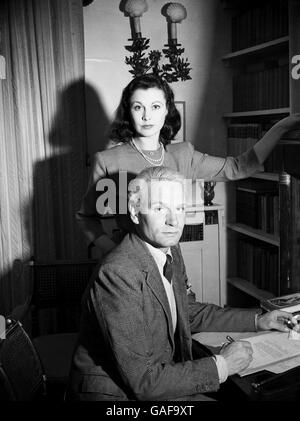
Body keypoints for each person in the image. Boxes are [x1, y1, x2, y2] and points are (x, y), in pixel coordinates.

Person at [68, 166, 294, 401]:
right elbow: (143, 382)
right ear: (135, 214)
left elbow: (188, 311)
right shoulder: (117, 274)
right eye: (159, 209)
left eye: (180, 208)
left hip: (156, 379)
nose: (174, 221)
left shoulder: (169, 249)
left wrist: (259, 320)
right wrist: (222, 365)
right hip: (118, 396)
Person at [76, 74, 300, 259]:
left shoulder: (183, 155)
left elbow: (238, 167)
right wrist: (114, 252)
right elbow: (86, 217)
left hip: (171, 259)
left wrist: (281, 127)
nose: (146, 116)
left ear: (166, 110)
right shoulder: (108, 161)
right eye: (138, 107)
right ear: (129, 111)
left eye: (155, 106)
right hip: (128, 259)